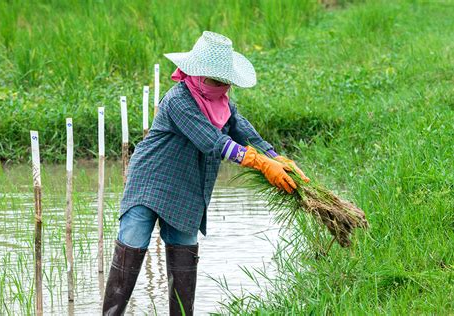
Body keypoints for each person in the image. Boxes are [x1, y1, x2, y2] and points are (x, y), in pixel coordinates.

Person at [102, 31, 309, 316]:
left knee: (184, 252)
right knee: (133, 242)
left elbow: (248, 136)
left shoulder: (224, 106)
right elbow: (212, 141)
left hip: (189, 186)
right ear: (196, 74)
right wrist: (261, 164)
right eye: (215, 80)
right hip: (150, 180)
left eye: (226, 82)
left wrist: (276, 158)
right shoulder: (178, 100)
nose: (221, 87)